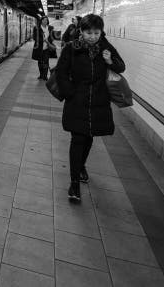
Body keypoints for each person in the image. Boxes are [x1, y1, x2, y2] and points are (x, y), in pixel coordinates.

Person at [54, 13, 125, 202]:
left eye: (96, 32)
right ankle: (74, 183)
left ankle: (81, 165)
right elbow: (61, 72)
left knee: (89, 137)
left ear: (101, 32)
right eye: (88, 32)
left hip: (98, 102)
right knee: (78, 138)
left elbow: (121, 67)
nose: (93, 36)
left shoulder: (105, 47)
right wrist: (70, 93)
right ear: (81, 32)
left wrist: (110, 61)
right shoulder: (71, 48)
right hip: (77, 101)